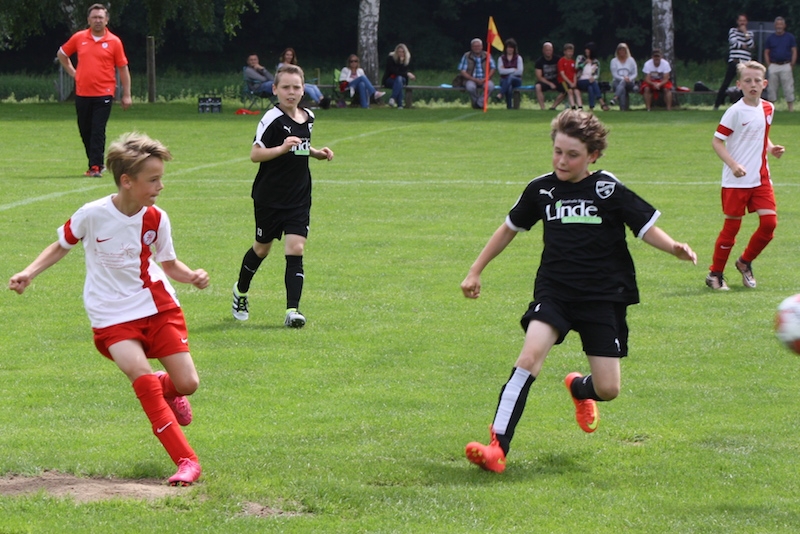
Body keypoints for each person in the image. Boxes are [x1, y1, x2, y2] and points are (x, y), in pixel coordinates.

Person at [461, 109, 697, 473]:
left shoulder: (607, 188)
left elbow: (644, 226)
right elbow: (508, 228)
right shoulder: (541, 189)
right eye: (557, 151)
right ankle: (497, 448)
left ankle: (579, 388)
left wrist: (673, 248)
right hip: (555, 292)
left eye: (572, 155)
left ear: (593, 155)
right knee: (528, 358)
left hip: (603, 296)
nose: (562, 160)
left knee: (609, 389)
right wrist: (475, 271)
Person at [8, 132, 208, 486]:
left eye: (161, 178)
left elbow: (169, 263)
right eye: (153, 180)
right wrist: (29, 272)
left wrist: (191, 276)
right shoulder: (92, 214)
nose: (160, 186)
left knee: (188, 383)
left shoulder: (157, 218)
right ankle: (186, 460)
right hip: (111, 315)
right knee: (142, 380)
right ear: (127, 181)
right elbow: (61, 245)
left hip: (157, 307)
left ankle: (168, 389)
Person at [232, 65, 334, 327]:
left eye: (296, 87)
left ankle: (292, 311)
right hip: (269, 197)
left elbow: (301, 146)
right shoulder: (271, 119)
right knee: (262, 249)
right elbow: (255, 154)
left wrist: (316, 153)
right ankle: (240, 291)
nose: (291, 92)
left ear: (303, 90)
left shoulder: (308, 116)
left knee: (296, 248)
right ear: (275, 89)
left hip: (299, 195)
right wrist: (281, 148)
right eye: (286, 87)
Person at [706, 61, 785, 291]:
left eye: (757, 80)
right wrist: (733, 165)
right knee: (731, 229)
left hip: (761, 178)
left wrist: (771, 148)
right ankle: (715, 275)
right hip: (736, 181)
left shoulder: (768, 108)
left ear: (764, 84)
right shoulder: (735, 111)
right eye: (747, 81)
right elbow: (717, 141)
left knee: (769, 224)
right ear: (739, 84)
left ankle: (744, 261)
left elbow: (762, 134)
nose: (753, 84)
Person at [57, 3, 132, 178]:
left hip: (104, 93)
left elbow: (123, 68)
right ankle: (96, 163)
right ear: (88, 20)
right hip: (83, 92)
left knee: (98, 129)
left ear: (106, 20)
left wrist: (127, 94)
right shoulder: (79, 38)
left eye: (100, 17)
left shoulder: (114, 41)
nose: (97, 20)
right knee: (85, 130)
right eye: (94, 17)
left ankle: (95, 167)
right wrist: (74, 73)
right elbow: (62, 54)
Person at [714, 14, 754, 110]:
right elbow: (733, 43)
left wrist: (745, 33)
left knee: (744, 84)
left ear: (746, 22)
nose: (742, 23)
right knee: (726, 83)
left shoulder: (750, 33)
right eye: (740, 20)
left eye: (744, 20)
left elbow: (751, 45)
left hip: (745, 63)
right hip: (734, 61)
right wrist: (743, 45)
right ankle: (717, 105)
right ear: (737, 22)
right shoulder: (733, 31)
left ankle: (742, 105)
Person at [764, 17, 797, 112]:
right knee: (772, 88)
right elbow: (766, 52)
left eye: (781, 24)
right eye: (777, 24)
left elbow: (794, 50)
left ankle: (791, 109)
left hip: (786, 65)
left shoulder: (790, 37)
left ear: (784, 26)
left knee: (788, 87)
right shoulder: (770, 38)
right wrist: (769, 64)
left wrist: (792, 63)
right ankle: (771, 109)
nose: (779, 26)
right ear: (775, 26)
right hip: (773, 65)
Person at [457, 38, 496, 109]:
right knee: (470, 87)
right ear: (471, 47)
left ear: (482, 47)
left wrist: (486, 78)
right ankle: (478, 104)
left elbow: (493, 68)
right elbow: (462, 71)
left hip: (485, 79)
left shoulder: (487, 55)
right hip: (470, 79)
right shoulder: (467, 56)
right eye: (475, 46)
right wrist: (474, 79)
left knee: (490, 86)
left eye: (478, 46)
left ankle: (479, 103)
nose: (477, 48)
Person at [576, 42, 609, 111]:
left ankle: (591, 107)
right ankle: (602, 102)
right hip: (580, 80)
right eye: (586, 49)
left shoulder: (596, 62)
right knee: (593, 83)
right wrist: (584, 63)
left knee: (590, 87)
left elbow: (596, 74)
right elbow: (577, 67)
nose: (586, 51)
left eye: (588, 50)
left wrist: (593, 78)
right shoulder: (580, 58)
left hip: (590, 81)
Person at [381, 43, 416, 109]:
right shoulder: (391, 58)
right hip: (390, 79)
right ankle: (400, 105)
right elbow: (394, 71)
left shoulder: (406, 59)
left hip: (402, 80)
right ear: (396, 52)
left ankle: (393, 98)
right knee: (399, 82)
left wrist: (402, 63)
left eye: (402, 52)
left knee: (399, 80)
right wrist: (407, 73)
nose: (401, 53)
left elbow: (403, 72)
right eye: (399, 52)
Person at [534, 42, 567, 110]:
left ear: (552, 50)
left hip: (557, 80)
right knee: (537, 87)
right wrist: (550, 83)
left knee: (567, 88)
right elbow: (539, 77)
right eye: (547, 50)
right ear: (543, 50)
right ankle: (542, 108)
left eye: (550, 50)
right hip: (545, 81)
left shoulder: (558, 59)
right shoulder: (539, 61)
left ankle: (553, 107)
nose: (548, 52)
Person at [496, 38, 523, 109]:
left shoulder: (518, 58)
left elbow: (520, 72)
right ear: (505, 48)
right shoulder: (501, 58)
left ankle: (500, 94)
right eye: (508, 47)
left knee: (510, 77)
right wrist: (513, 69)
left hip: (517, 80)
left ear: (514, 49)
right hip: (503, 80)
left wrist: (506, 70)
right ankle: (509, 107)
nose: (510, 49)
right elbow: (501, 72)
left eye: (512, 48)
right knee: (509, 86)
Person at [609, 43, 637, 111]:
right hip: (617, 82)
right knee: (622, 88)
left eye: (623, 50)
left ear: (626, 51)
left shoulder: (631, 60)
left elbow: (635, 73)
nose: (622, 52)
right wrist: (624, 79)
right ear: (617, 51)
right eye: (620, 50)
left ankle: (615, 98)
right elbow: (614, 74)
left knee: (623, 83)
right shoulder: (613, 61)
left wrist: (629, 79)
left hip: (629, 82)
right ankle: (623, 109)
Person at [557, 43, 582, 109]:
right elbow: (562, 74)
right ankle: (573, 107)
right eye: (568, 51)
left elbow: (574, 74)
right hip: (563, 81)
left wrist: (574, 82)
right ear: (564, 52)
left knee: (577, 92)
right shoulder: (561, 61)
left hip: (572, 81)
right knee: (569, 91)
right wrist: (570, 83)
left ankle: (580, 107)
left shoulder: (573, 62)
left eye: (571, 52)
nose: (570, 53)